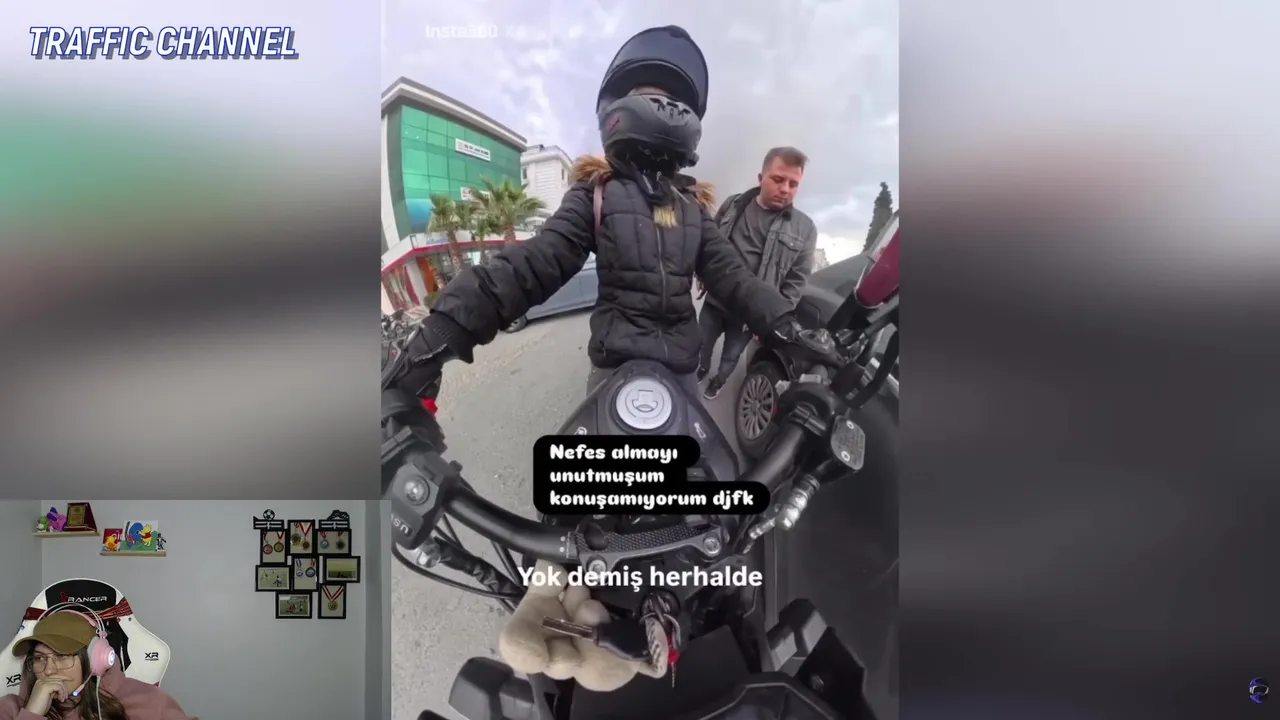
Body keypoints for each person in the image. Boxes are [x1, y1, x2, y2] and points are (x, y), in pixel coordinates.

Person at [381, 26, 804, 405]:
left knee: (699, 464)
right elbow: (537, 260)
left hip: (681, 368)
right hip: (614, 366)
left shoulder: (692, 208)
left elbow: (734, 277)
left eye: (674, 99)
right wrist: (444, 328)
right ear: (619, 106)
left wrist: (789, 326)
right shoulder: (595, 193)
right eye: (652, 94)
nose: (665, 105)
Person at [696, 147, 818, 400]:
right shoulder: (734, 204)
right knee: (701, 345)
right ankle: (701, 369)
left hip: (749, 316)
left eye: (793, 184)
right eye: (778, 179)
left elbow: (795, 283)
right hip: (716, 300)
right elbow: (710, 242)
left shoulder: (805, 229)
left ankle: (717, 382)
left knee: (730, 358)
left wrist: (770, 321)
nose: (785, 189)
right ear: (761, 178)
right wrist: (702, 274)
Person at [0, 610, 197, 720]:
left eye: (62, 656)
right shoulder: (9, 709)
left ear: (95, 659)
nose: (49, 670)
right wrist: (32, 714)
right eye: (39, 658)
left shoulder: (148, 703)